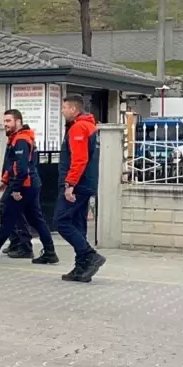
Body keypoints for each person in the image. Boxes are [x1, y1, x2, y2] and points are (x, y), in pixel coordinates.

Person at [0, 110, 58, 265]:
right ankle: (50, 252)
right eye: (4, 121)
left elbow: (22, 167)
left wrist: (17, 189)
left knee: (7, 215)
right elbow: (14, 165)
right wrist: (5, 180)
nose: (5, 124)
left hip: (24, 184)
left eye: (8, 121)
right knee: (35, 219)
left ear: (18, 122)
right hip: (29, 183)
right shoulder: (17, 138)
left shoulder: (21, 140)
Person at [56, 95, 107, 282]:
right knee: (78, 225)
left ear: (73, 109)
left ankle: (89, 255)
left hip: (77, 184)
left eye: (64, 108)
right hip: (86, 184)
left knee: (61, 221)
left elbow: (79, 159)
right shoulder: (90, 126)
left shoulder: (79, 128)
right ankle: (81, 267)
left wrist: (70, 185)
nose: (62, 111)